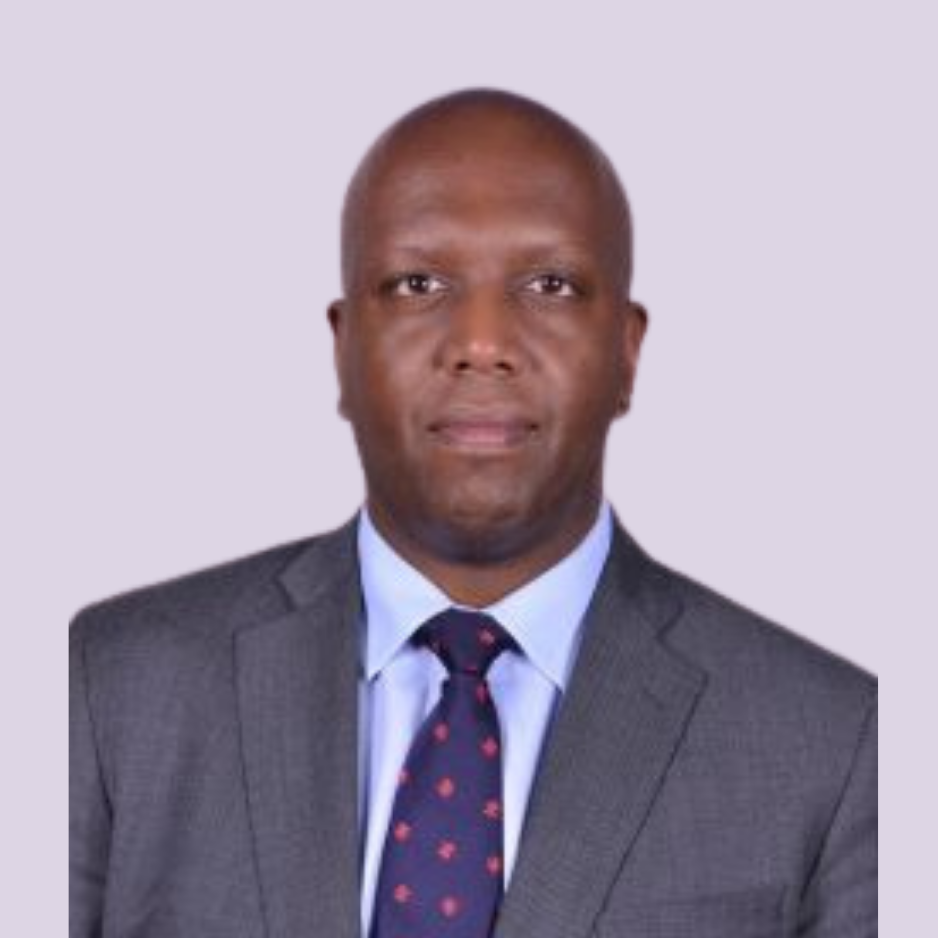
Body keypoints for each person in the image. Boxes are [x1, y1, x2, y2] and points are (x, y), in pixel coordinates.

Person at [70, 89, 877, 938]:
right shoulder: (110, 688)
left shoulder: (834, 745)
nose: (482, 343)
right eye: (418, 283)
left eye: (550, 285)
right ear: (343, 349)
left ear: (627, 351)